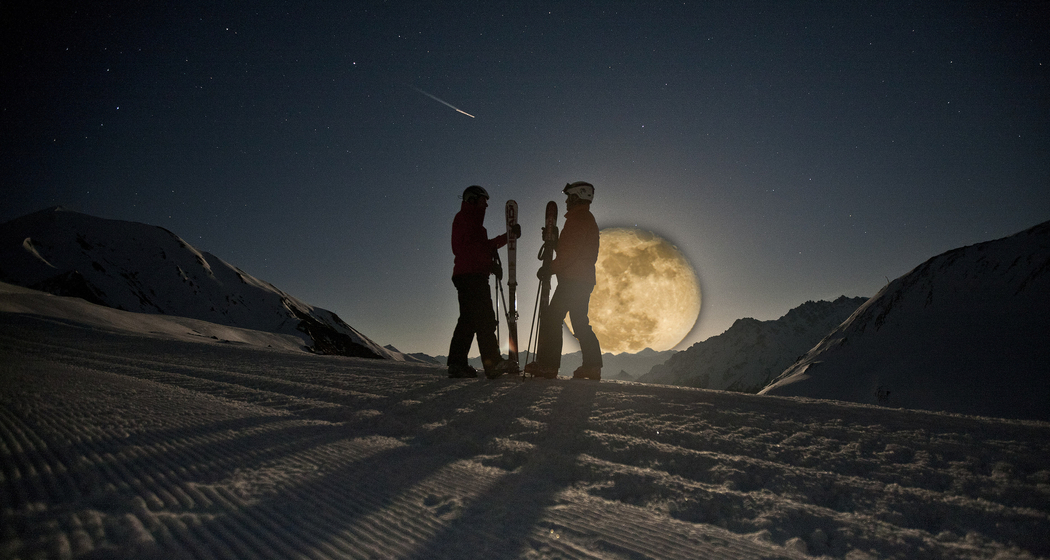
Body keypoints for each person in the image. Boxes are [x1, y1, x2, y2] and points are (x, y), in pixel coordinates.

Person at [526, 181, 603, 380]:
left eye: (569, 197)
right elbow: (571, 250)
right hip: (583, 280)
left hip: (573, 280)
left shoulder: (579, 219)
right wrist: (555, 242)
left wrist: (549, 268)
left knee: (552, 318)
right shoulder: (584, 218)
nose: (567, 201)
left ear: (577, 196)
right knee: (580, 322)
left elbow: (570, 254)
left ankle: (548, 365)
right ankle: (592, 366)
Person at [448, 185, 520, 379]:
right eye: (483, 200)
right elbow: (469, 249)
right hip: (472, 276)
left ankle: (457, 364)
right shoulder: (466, 220)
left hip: (467, 275)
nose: (486, 205)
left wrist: (507, 237)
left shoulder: (471, 222)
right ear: (472, 199)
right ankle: (493, 363)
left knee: (468, 321)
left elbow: (482, 247)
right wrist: (490, 264)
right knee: (485, 319)